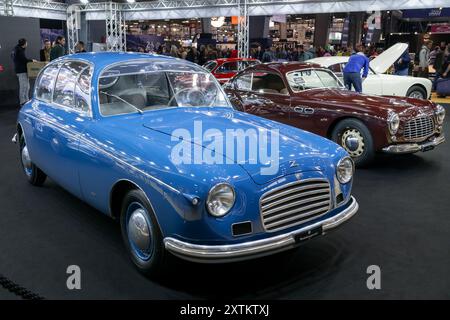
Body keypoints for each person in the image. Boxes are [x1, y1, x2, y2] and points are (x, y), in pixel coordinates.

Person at [12, 38, 36, 105]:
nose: (27, 44)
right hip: (21, 71)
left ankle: (26, 100)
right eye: (26, 43)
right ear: (24, 44)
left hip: (21, 70)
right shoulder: (19, 50)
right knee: (23, 87)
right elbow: (23, 60)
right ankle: (23, 102)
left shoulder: (16, 49)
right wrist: (32, 60)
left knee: (27, 86)